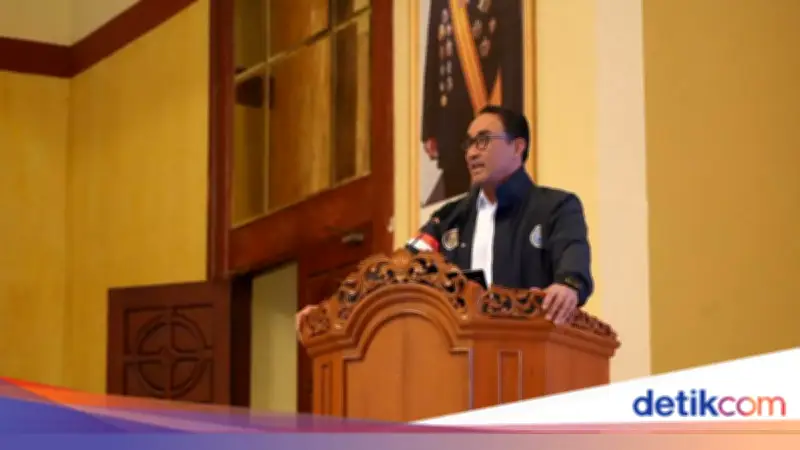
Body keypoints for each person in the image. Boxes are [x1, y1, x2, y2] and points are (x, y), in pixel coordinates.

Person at [296, 106, 593, 331]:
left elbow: (573, 260)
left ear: (518, 147)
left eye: (483, 141)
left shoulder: (555, 207)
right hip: (462, 362)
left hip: (534, 353)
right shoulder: (448, 220)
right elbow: (398, 269)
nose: (472, 153)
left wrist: (567, 286)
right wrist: (333, 308)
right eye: (469, 144)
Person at [420, 0, 523, 205]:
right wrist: (429, 127)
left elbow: (513, 56)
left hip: (491, 106)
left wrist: (514, 121)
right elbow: (434, 53)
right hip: (450, 120)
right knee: (457, 198)